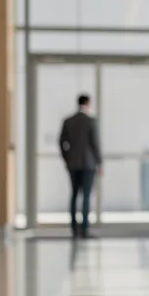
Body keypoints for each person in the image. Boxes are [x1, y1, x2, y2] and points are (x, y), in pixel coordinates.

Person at [59, 94, 101, 239]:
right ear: (88, 103)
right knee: (86, 196)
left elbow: (62, 143)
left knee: (74, 194)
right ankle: (85, 229)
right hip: (88, 164)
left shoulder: (68, 121)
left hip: (73, 164)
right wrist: (99, 162)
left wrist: (67, 158)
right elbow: (95, 144)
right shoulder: (90, 121)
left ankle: (74, 228)